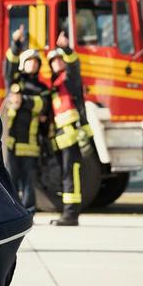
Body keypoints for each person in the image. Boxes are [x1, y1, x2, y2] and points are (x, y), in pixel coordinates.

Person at [45, 31, 93, 226]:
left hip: (72, 136)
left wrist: (65, 48)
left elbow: (74, 65)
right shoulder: (55, 86)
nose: (57, 63)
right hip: (61, 138)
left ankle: (71, 215)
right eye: (53, 61)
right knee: (65, 174)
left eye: (59, 59)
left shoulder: (70, 80)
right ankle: (67, 213)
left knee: (71, 173)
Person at [2, 25, 49, 211]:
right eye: (29, 62)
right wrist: (15, 44)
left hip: (30, 142)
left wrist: (24, 100)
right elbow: (9, 65)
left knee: (29, 179)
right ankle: (11, 210)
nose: (33, 65)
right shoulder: (15, 81)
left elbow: (43, 104)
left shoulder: (42, 87)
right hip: (11, 141)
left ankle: (29, 210)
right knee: (10, 178)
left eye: (36, 62)